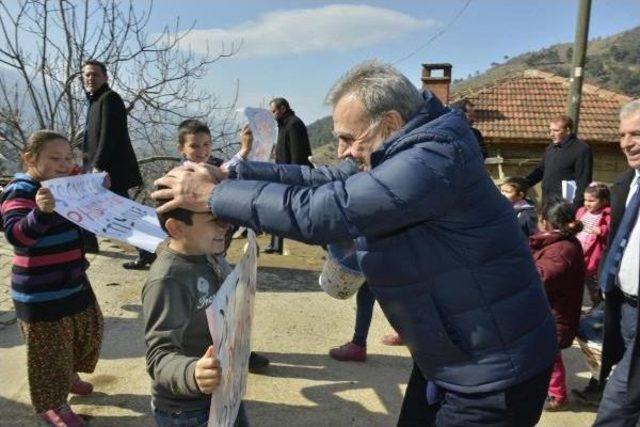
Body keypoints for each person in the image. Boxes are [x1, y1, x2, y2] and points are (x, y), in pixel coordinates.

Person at [152, 60, 557, 425]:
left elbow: (326, 210)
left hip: (493, 372)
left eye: (348, 138)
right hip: (456, 357)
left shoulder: (432, 160)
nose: (343, 151)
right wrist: (231, 177)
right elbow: (324, 180)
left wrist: (213, 198)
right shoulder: (405, 149)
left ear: (391, 124)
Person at [0, 130, 103, 426]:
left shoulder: (64, 186)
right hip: (40, 290)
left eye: (68, 157)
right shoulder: (22, 190)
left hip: (72, 280)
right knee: (48, 353)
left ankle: (67, 374)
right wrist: (42, 213)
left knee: (87, 329)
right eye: (54, 158)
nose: (64, 163)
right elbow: (16, 235)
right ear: (30, 159)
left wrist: (96, 187)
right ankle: (53, 405)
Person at [142, 193, 249, 427]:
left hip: (224, 391)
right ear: (177, 227)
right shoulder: (168, 280)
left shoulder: (208, 253)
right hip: (188, 410)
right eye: (213, 219)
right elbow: (158, 356)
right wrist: (193, 372)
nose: (226, 225)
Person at [175, 119, 269, 373]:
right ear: (181, 148)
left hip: (218, 252)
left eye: (206, 144)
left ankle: (239, 350)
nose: (202, 151)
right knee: (204, 309)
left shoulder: (214, 165)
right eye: (194, 146)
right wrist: (244, 151)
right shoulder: (181, 176)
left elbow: (230, 175)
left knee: (234, 302)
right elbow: (224, 173)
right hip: (194, 256)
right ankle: (201, 355)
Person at [80, 59, 154, 268]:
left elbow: (109, 135)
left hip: (109, 172)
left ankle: (147, 249)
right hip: (97, 168)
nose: (90, 78)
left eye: (95, 74)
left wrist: (98, 166)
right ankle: (89, 243)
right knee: (86, 205)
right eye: (87, 75)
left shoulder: (110, 98)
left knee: (123, 212)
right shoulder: (95, 100)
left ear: (105, 77)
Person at [594, 99, 640, 426]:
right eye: (623, 135)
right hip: (623, 307)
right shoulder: (625, 185)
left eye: (637, 134)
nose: (626, 143)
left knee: (618, 402)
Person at [530, 198, 586, 410]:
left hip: (554, 315)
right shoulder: (557, 242)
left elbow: (539, 278)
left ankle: (557, 395)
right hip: (549, 312)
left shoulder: (561, 250)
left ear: (546, 221)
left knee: (550, 358)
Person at [263, 97, 313, 255]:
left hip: (291, 175)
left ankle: (277, 244)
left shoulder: (293, 124)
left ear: (283, 109)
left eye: (274, 111)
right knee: (278, 208)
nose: (272, 115)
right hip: (283, 173)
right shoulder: (285, 125)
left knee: (290, 209)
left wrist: (290, 176)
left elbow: (297, 155)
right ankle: (275, 245)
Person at [525, 114, 593, 209]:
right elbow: (540, 171)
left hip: (565, 206)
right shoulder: (551, 148)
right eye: (550, 130)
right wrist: (521, 184)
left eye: (556, 131)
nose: (551, 134)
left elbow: (583, 181)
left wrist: (576, 207)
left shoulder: (581, 149)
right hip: (547, 202)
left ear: (567, 131)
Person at [575, 182, 611, 308]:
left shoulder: (607, 214)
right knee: (579, 277)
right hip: (579, 249)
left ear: (604, 201)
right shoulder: (581, 211)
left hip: (594, 252)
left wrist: (601, 230)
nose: (587, 203)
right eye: (585, 200)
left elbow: (610, 230)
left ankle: (597, 303)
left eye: (592, 200)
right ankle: (583, 301)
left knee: (591, 280)